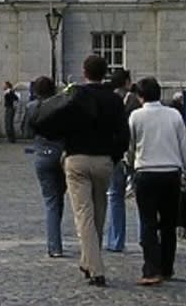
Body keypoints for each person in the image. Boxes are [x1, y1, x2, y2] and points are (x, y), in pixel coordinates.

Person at [39, 53, 129, 288]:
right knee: (99, 213)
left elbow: (54, 123)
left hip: (77, 158)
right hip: (104, 161)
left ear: (84, 72)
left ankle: (96, 269)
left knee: (84, 216)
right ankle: (88, 261)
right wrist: (114, 156)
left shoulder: (76, 96)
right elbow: (123, 135)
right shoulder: (115, 100)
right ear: (105, 73)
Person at [128, 76, 186, 285]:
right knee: (168, 224)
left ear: (140, 96)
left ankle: (151, 269)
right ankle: (167, 267)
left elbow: (130, 147)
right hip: (170, 173)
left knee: (147, 222)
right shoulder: (174, 115)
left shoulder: (136, 116)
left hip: (146, 172)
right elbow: (185, 146)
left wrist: (129, 166)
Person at [28, 74, 68, 258]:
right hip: (60, 154)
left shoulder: (32, 107)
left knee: (51, 201)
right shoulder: (61, 106)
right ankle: (56, 240)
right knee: (58, 198)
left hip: (42, 154)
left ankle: (54, 245)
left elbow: (26, 130)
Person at [104, 67, 139, 253]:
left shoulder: (108, 100)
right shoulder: (134, 100)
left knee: (115, 196)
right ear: (127, 83)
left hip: (115, 153)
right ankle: (142, 239)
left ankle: (116, 241)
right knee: (138, 198)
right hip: (132, 152)